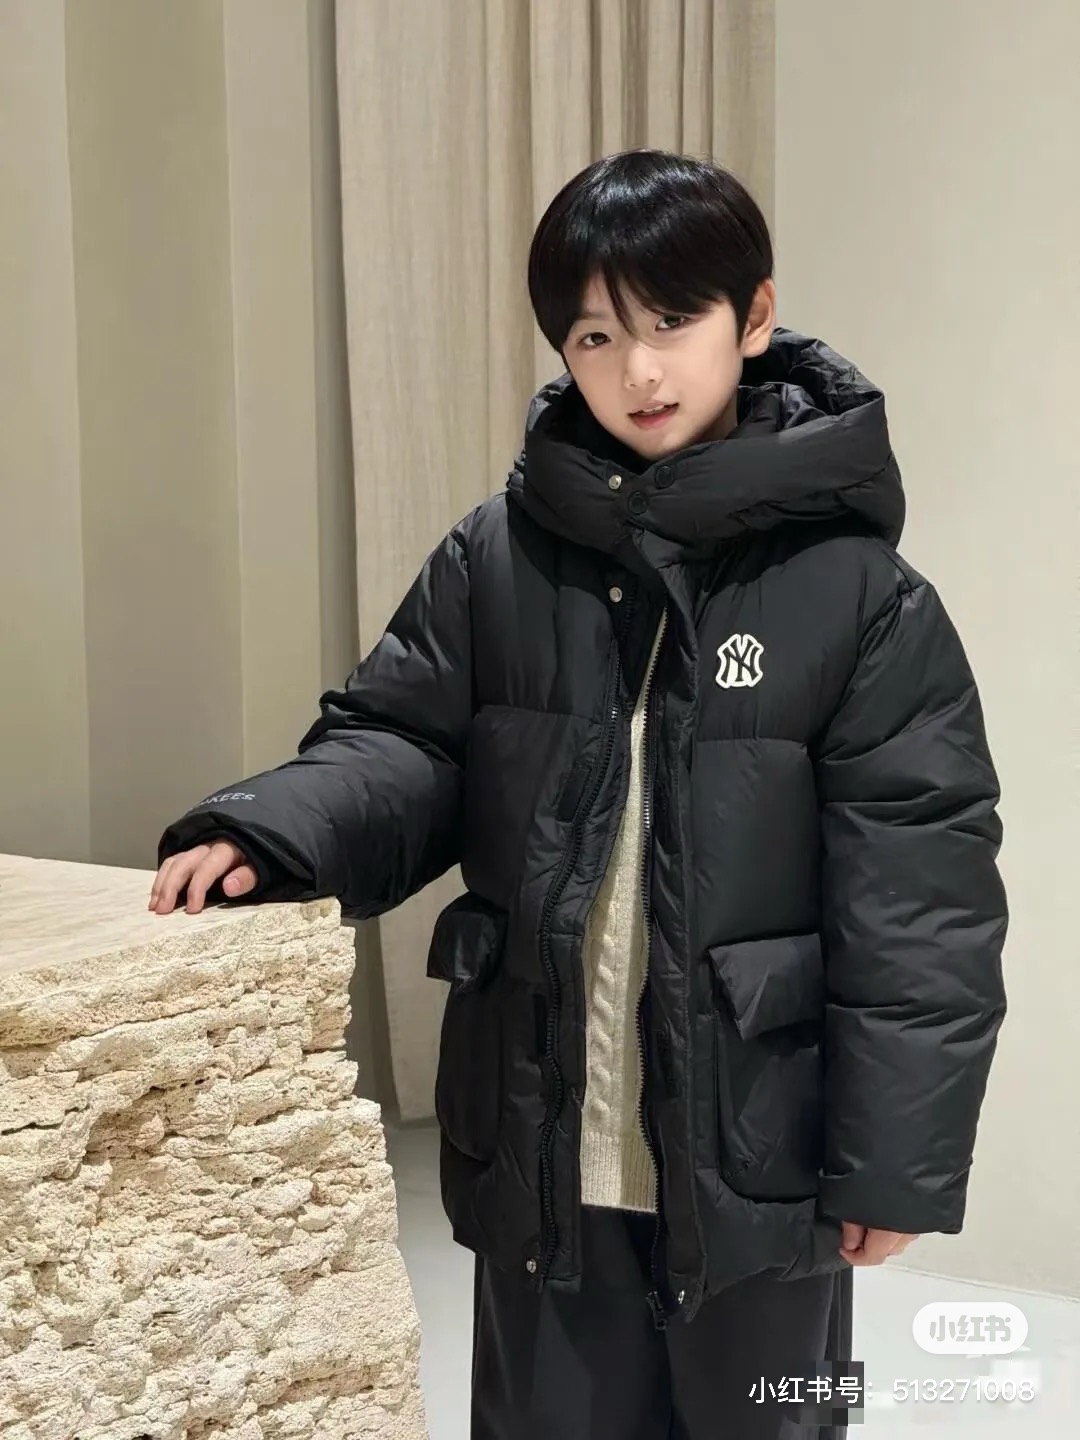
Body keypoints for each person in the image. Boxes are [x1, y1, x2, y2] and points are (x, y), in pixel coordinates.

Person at [149, 150, 1008, 1438]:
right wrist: (273, 830)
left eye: (673, 322)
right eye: (598, 336)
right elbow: (401, 740)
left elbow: (921, 898)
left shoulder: (861, 597)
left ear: (755, 317)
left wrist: (894, 1158)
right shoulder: (498, 557)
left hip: (757, 1157)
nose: (639, 371)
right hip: (543, 1136)